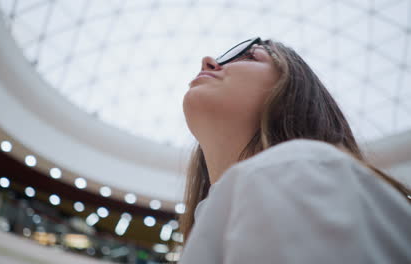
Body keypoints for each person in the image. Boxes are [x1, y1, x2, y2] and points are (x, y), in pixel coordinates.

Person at [176, 37, 411, 263]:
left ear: (292, 90)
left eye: (250, 57)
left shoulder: (300, 169)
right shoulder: (217, 210)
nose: (208, 60)